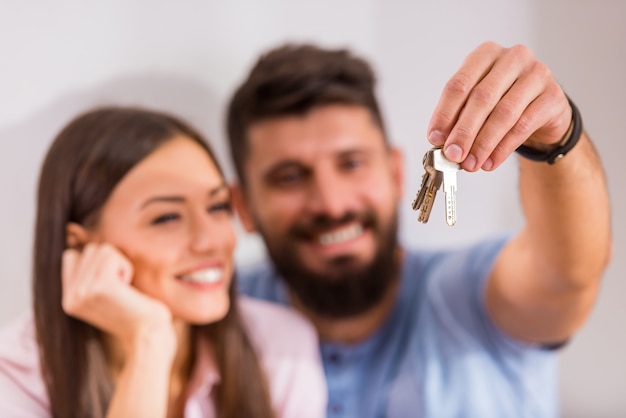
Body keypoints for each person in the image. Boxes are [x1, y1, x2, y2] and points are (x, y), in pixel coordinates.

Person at [225, 41, 612, 418]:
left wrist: (556, 139)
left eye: (352, 163)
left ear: (395, 173)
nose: (332, 203)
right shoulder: (217, 315)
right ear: (243, 207)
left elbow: (567, 273)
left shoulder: (467, 294)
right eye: (289, 177)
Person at [0, 107, 327, 418]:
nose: (211, 240)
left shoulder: (280, 347)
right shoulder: (15, 374)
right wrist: (149, 340)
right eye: (167, 217)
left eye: (217, 207)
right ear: (82, 245)